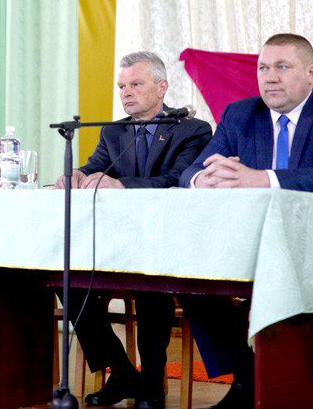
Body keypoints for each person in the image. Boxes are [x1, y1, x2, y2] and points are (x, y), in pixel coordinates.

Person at [180, 33, 313, 408]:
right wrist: (202, 179)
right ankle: (246, 379)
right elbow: (190, 171)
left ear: (311, 73)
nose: (270, 76)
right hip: (259, 237)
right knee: (190, 275)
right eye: (263, 68)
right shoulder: (241, 114)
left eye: (282, 67)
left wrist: (262, 178)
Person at [55, 52, 212, 408]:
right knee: (68, 281)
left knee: (150, 283)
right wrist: (77, 174)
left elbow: (180, 179)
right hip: (118, 241)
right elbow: (97, 166)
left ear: (162, 87)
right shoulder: (114, 130)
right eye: (122, 86)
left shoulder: (192, 130)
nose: (126, 92)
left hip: (167, 240)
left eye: (136, 84)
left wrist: (122, 184)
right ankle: (122, 370)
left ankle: (153, 381)